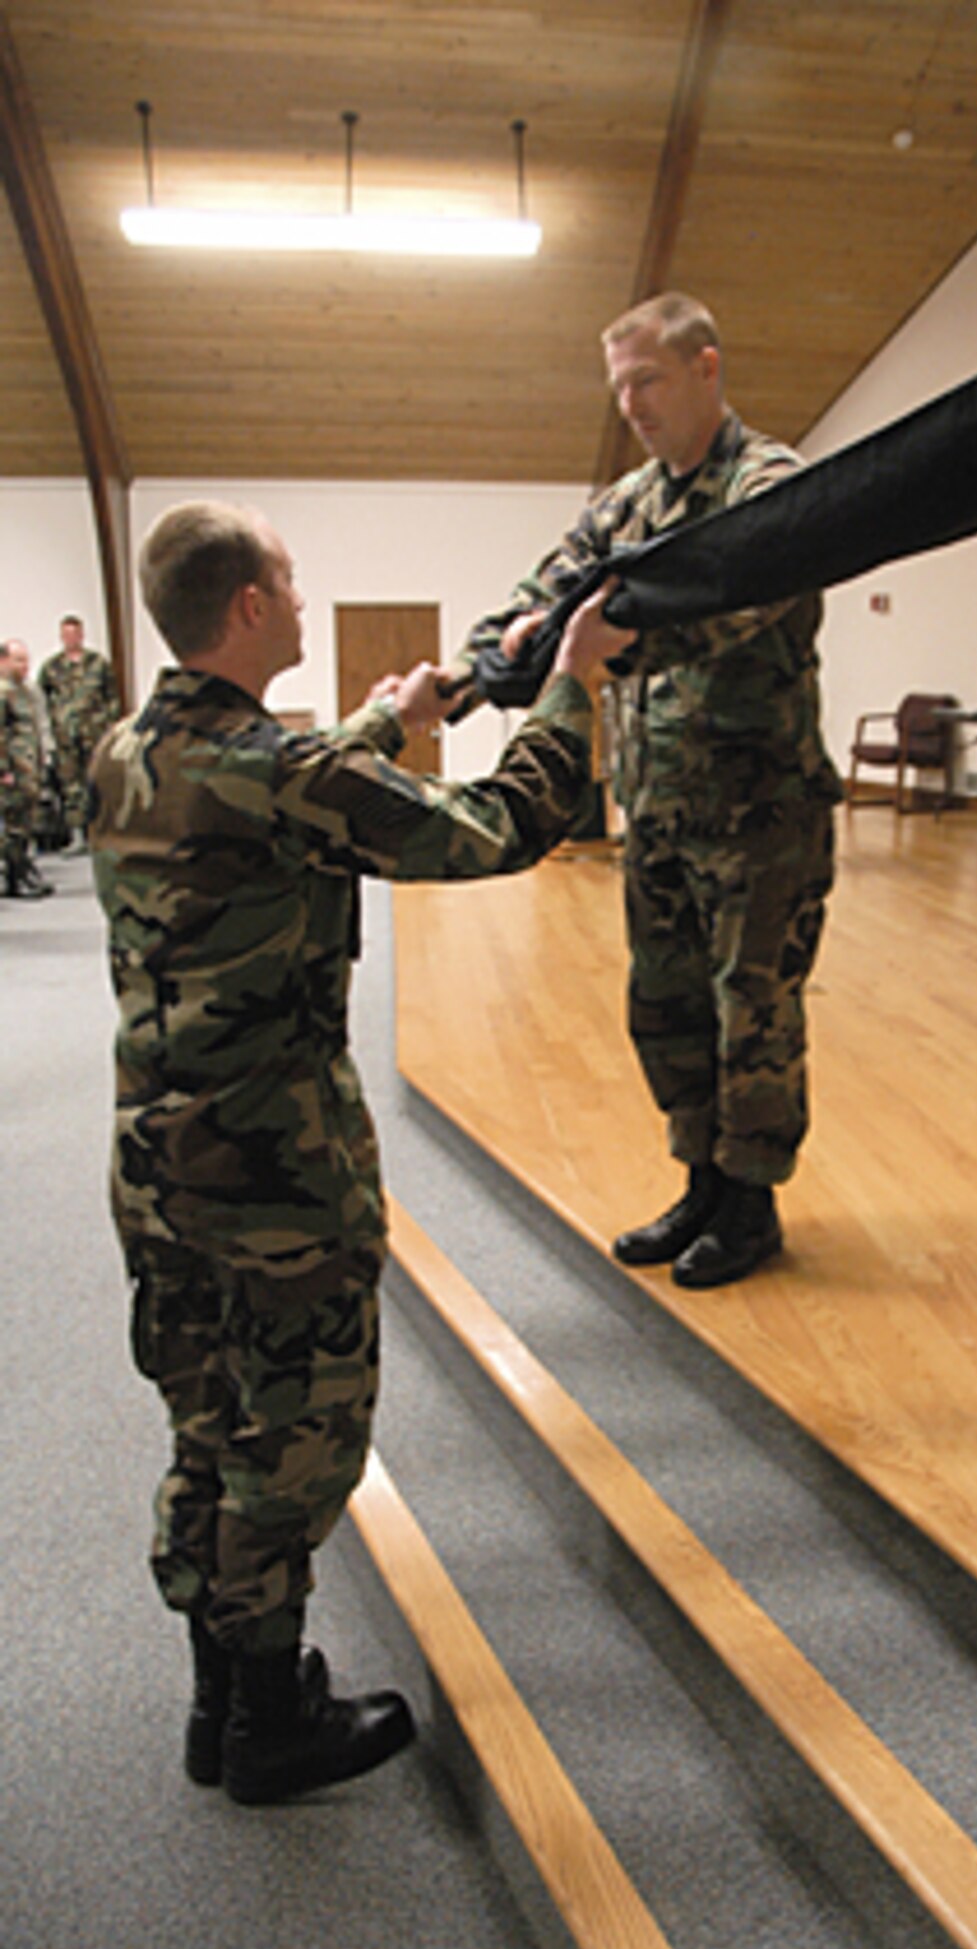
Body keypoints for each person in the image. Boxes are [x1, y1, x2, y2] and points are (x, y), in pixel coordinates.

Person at [88, 501, 624, 1806]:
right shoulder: (285, 776)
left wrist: (390, 717)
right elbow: (501, 827)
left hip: (160, 1166)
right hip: (276, 1177)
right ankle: (272, 1724)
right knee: (294, 1443)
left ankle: (223, 1699)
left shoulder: (125, 748)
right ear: (253, 609)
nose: (305, 592)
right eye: (289, 577)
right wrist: (569, 692)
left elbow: (270, 778)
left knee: (209, 1425)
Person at [450, 293, 843, 1290]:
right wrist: (487, 657)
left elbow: (742, 598)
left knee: (751, 1010)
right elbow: (548, 584)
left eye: (647, 380)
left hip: (761, 813)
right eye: (618, 385)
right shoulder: (628, 503)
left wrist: (596, 639)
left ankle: (751, 1204)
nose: (630, 403)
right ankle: (702, 1181)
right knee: (665, 1005)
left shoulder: (770, 484)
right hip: (659, 807)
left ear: (707, 367)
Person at [38, 612, 120, 846]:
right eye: (66, 634)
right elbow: (43, 699)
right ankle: (77, 836)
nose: (71, 638)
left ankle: (103, 832)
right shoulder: (51, 667)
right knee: (71, 784)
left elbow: (111, 696)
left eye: (74, 633)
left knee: (99, 780)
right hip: (65, 735)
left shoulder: (97, 663)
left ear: (82, 635)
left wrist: (109, 724)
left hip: (94, 732)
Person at [0, 638, 55, 898]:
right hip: (11, 770)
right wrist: (3, 770)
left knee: (25, 823)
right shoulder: (1, 691)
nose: (25, 665)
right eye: (18, 660)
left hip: (27, 767)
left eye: (26, 659)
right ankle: (14, 878)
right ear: (3, 661)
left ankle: (23, 871)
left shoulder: (25, 690)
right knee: (14, 826)